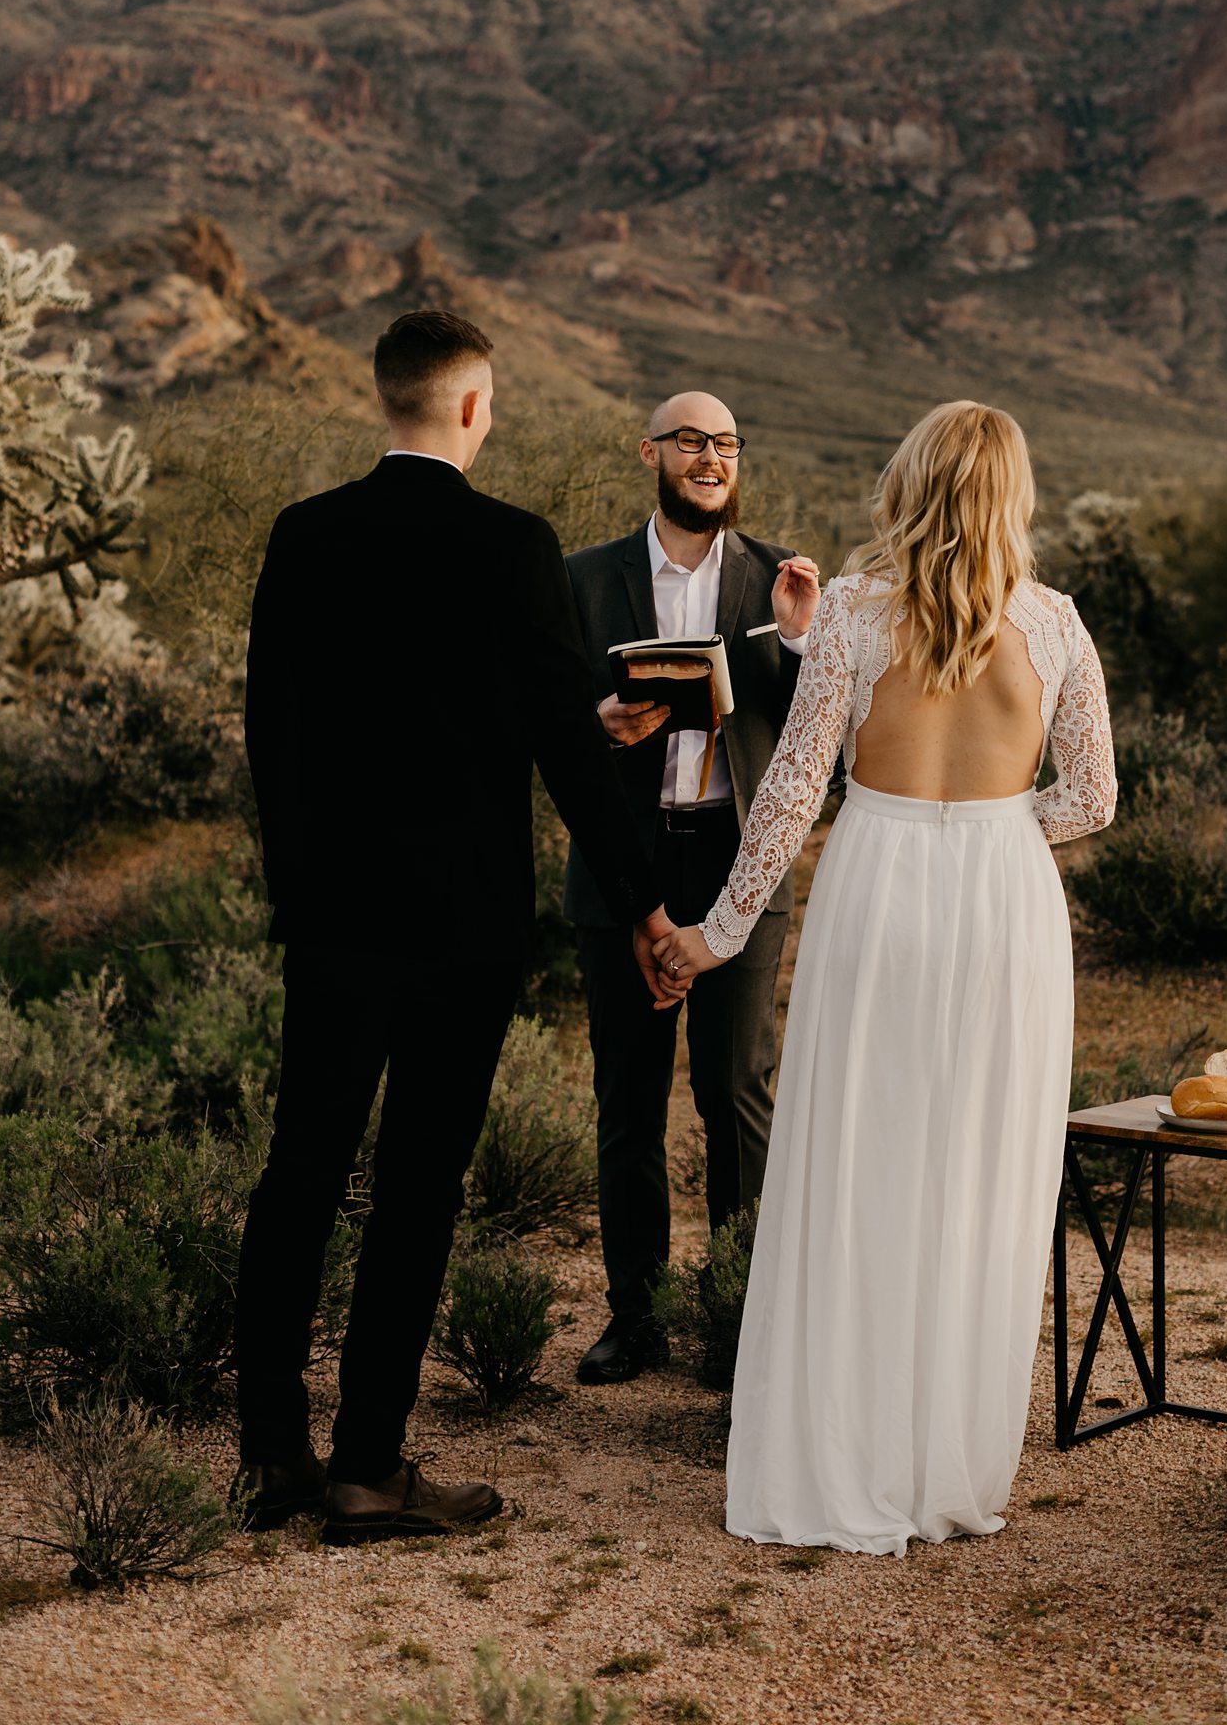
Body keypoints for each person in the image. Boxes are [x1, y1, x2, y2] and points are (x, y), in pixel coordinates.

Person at [233, 310, 673, 1539]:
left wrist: (297, 896)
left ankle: (272, 1456)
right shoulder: (510, 547)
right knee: (416, 1188)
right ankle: (369, 1466)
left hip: (330, 925)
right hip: (462, 931)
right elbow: (560, 750)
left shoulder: (305, 536)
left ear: (388, 401)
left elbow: (272, 731)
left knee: (301, 1170)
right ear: (473, 407)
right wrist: (641, 900)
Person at [656, 401, 1116, 1554]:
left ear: (908, 486)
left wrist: (714, 933)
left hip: (881, 889)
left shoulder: (857, 618)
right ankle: (945, 1468)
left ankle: (838, 1454)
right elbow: (1095, 799)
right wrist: (1004, 832)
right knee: (978, 1177)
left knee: (857, 1163)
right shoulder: (1056, 624)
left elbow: (792, 796)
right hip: (1007, 911)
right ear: (1012, 496)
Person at [563, 390, 820, 1384]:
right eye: (689, 441)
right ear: (650, 453)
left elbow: (815, 739)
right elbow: (542, 720)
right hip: (622, 863)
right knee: (626, 1100)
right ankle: (636, 1318)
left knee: (734, 1091)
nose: (710, 456)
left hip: (738, 862)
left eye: (725, 443)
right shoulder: (583, 579)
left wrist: (796, 643)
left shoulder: (780, 580)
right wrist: (595, 725)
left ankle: (739, 1318)